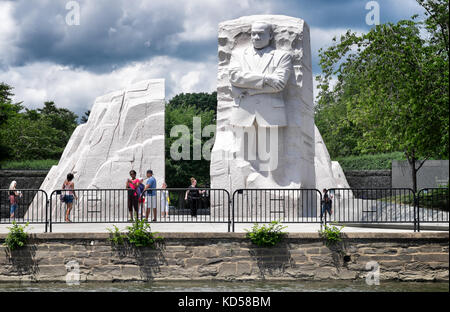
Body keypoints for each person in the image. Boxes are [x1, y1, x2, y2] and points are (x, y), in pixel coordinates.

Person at [228, 22, 292, 185]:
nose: (256, 37)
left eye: (261, 34)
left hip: (271, 112)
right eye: (253, 34)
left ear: (270, 36)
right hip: (244, 112)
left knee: (273, 158)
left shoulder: (281, 56)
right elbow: (235, 77)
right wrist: (265, 78)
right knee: (242, 157)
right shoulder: (238, 55)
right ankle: (246, 186)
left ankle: (276, 185)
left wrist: (250, 90)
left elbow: (279, 85)